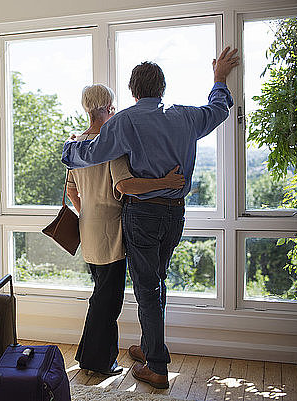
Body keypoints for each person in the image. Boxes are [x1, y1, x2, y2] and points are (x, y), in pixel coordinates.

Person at [62, 47, 239, 388]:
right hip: (175, 214)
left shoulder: (126, 120)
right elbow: (219, 109)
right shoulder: (185, 116)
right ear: (162, 88)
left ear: (133, 91)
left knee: (147, 288)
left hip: (142, 214)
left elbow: (95, 152)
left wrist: (69, 150)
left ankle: (157, 365)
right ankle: (149, 347)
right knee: (157, 281)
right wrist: (218, 78)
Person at [65, 84, 185, 376]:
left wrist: (88, 215)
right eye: (113, 107)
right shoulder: (112, 146)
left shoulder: (76, 146)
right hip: (112, 233)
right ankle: (99, 362)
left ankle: (89, 356)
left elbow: (72, 193)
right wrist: (167, 183)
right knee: (108, 301)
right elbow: (126, 186)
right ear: (107, 109)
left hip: (88, 228)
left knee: (101, 295)